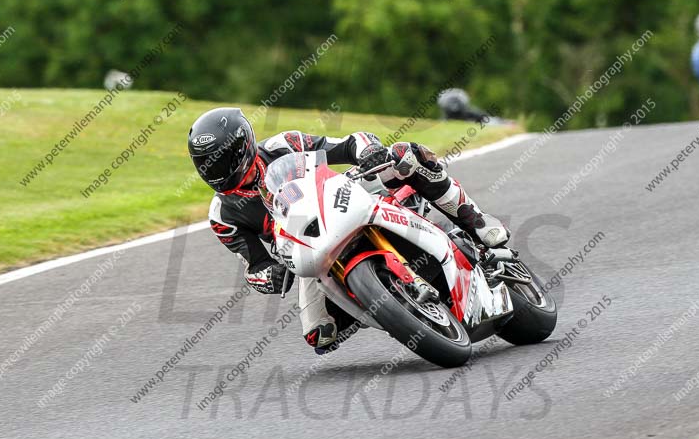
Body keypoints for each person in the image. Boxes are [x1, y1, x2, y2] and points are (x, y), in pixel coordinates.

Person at [187, 107, 510, 353]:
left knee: (404, 156)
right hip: (310, 250)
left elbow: (349, 143)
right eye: (206, 164)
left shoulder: (283, 144)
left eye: (221, 159)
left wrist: (367, 152)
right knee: (321, 336)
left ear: (243, 146)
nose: (215, 170)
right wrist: (268, 275)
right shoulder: (222, 215)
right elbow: (255, 264)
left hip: (345, 198)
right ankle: (387, 300)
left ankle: (478, 225)